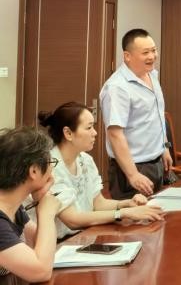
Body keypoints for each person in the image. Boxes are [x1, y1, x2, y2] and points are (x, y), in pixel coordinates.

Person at [39, 102, 165, 239]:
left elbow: (98, 204)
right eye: (89, 128)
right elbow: (72, 220)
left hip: (83, 237)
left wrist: (127, 204)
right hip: (58, 243)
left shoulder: (85, 160)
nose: (95, 133)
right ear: (68, 133)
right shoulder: (51, 166)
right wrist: (123, 213)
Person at [100, 28, 172, 199]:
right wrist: (132, 175)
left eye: (154, 50)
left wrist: (164, 147)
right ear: (127, 56)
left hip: (156, 162)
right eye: (145, 52)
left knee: (158, 212)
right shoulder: (117, 87)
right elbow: (115, 134)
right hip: (133, 167)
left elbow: (156, 116)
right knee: (134, 214)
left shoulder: (152, 75)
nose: (152, 56)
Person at [0, 126, 61, 282]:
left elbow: (39, 245)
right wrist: (46, 213)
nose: (52, 170)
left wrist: (41, 200)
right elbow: (40, 271)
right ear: (34, 171)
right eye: (51, 162)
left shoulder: (13, 206)